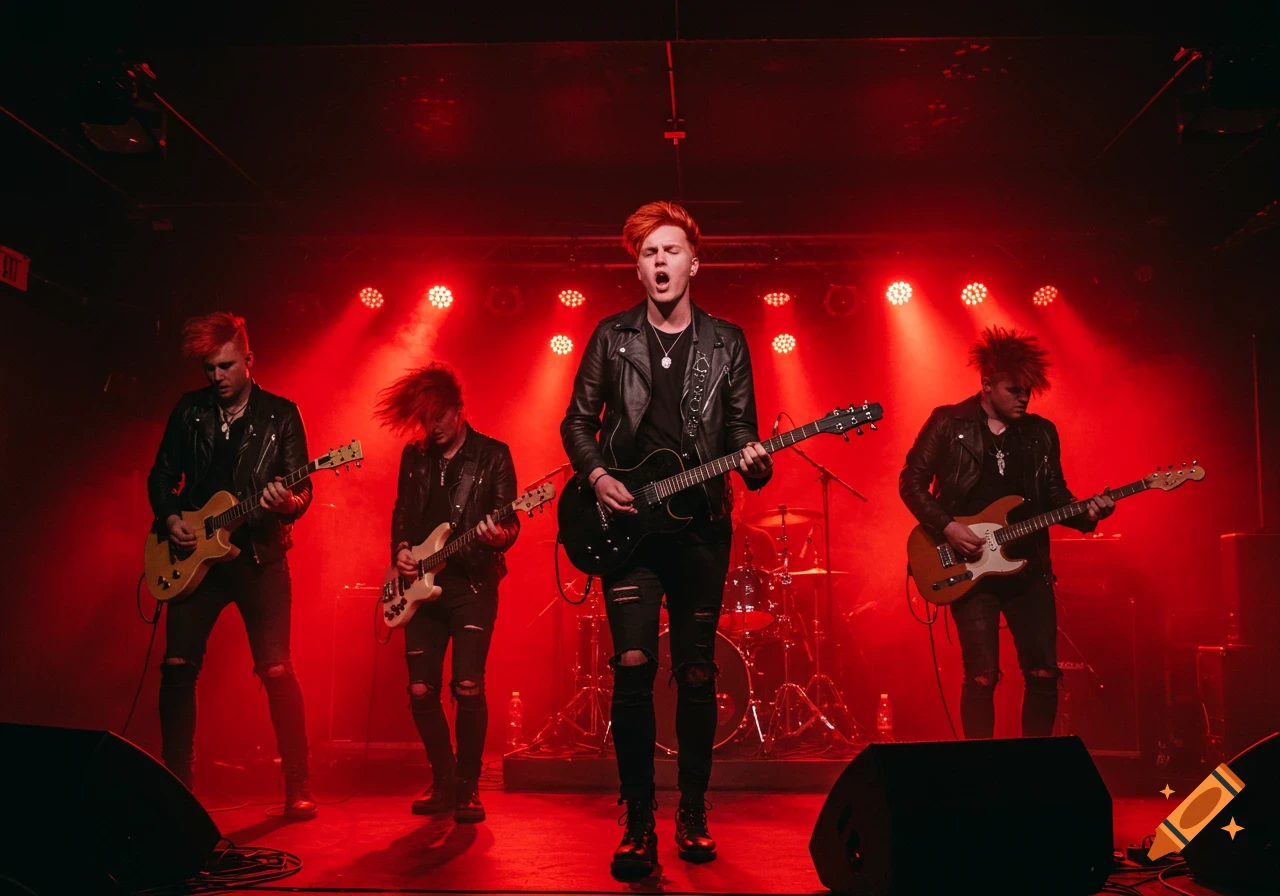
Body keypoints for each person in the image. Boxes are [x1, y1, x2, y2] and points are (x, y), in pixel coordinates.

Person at [561, 200, 772, 876]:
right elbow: (576, 421)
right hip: (627, 527)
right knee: (631, 668)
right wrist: (595, 477)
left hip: (702, 527)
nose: (660, 262)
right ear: (638, 264)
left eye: (671, 250)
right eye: (649, 252)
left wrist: (754, 459)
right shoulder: (611, 336)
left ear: (693, 262)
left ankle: (693, 811)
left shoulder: (725, 341)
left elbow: (742, 431)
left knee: (698, 672)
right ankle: (637, 820)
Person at [899, 326, 1115, 739]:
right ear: (987, 384)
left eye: (1028, 391)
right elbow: (911, 481)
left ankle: (1032, 771)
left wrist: (1089, 514)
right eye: (1014, 390)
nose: (1023, 398)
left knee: (1044, 672)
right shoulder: (948, 422)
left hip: (1028, 567)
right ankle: (982, 775)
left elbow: (1055, 497)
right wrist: (947, 526)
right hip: (968, 566)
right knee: (981, 677)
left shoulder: (1040, 432)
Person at [147, 311, 317, 820]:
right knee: (177, 667)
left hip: (258, 558)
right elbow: (161, 476)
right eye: (209, 369)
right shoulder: (188, 411)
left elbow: (304, 487)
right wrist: (171, 517)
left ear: (249, 360)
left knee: (277, 668)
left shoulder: (282, 415)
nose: (216, 377)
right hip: (193, 554)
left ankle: (298, 781)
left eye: (225, 366)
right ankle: (177, 781)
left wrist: (288, 504)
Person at [377, 362, 519, 823]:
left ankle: (469, 787)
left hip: (472, 583)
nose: (431, 426)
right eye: (424, 417)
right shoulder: (413, 456)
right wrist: (400, 548)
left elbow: (509, 521)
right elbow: (401, 511)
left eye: (439, 416)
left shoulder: (494, 455)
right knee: (420, 690)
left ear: (459, 410)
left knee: (467, 684)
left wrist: (500, 536)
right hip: (418, 584)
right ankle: (443, 779)